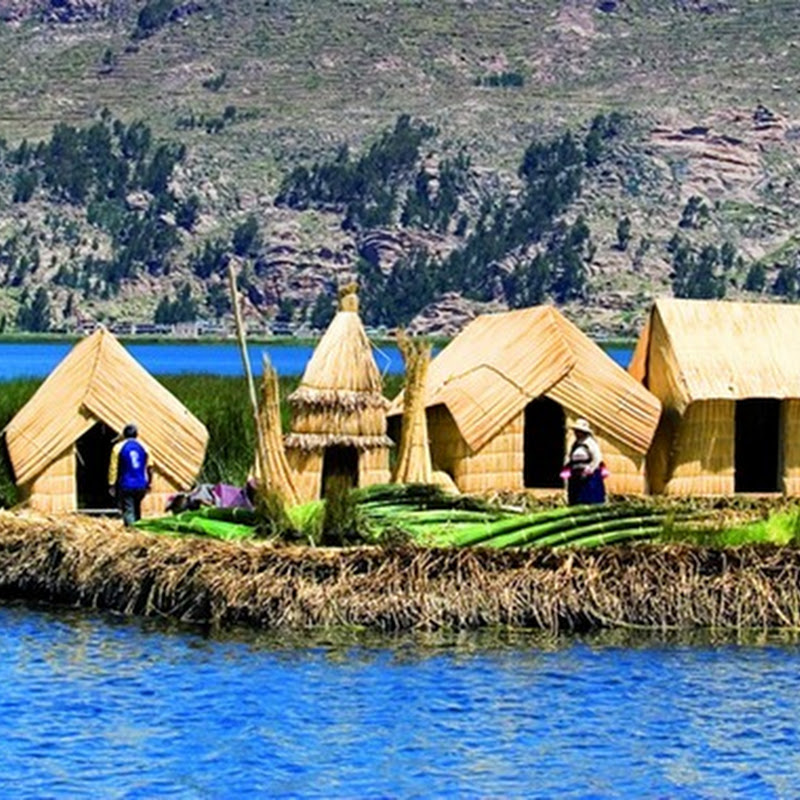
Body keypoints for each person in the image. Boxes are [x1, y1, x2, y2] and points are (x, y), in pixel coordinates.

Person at [108, 423, 152, 526]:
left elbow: (113, 467)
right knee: (137, 508)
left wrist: (111, 483)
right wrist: (149, 482)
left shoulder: (118, 448)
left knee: (128, 510)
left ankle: (132, 530)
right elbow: (150, 467)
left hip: (126, 484)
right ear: (137, 434)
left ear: (124, 435)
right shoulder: (144, 447)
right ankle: (139, 527)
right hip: (141, 484)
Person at [562, 418, 606, 505]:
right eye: (576, 431)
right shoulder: (576, 443)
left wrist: (590, 469)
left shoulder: (590, 443)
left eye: (578, 431)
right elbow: (570, 457)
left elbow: (597, 458)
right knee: (576, 498)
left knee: (590, 498)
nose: (576, 433)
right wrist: (567, 468)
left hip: (589, 476)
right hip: (576, 475)